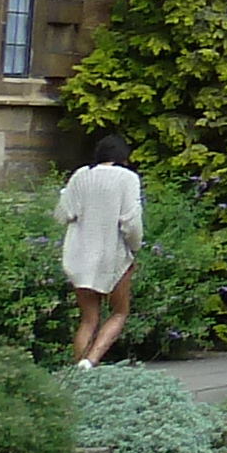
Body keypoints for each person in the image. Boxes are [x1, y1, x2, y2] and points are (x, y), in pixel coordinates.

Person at [57, 133, 146, 367]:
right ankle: (91, 361)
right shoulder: (128, 178)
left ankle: (80, 370)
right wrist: (135, 247)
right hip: (112, 255)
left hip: (80, 256)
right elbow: (131, 221)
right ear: (123, 156)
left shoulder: (80, 176)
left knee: (88, 319)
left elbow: (63, 214)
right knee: (119, 313)